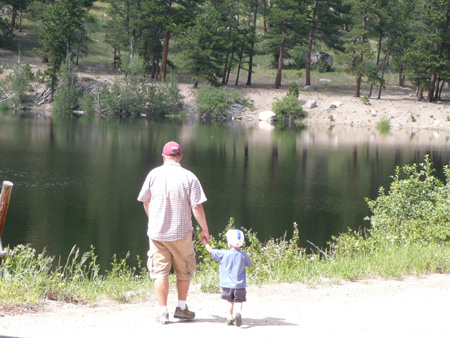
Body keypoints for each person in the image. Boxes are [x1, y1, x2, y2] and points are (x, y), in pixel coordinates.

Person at [137, 141, 210, 324]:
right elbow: (196, 205)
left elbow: (145, 201)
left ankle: (163, 312)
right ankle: (182, 308)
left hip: (157, 234)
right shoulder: (189, 177)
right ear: (180, 156)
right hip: (181, 233)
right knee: (184, 271)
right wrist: (204, 229)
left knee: (160, 272)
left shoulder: (153, 174)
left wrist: (152, 219)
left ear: (163, 156)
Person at [202, 229, 252, 327]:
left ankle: (229, 317)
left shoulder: (223, 254)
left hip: (227, 285)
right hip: (239, 285)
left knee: (230, 302)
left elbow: (210, 251)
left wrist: (204, 242)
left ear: (229, 242)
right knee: (238, 301)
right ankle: (238, 313)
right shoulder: (243, 255)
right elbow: (246, 266)